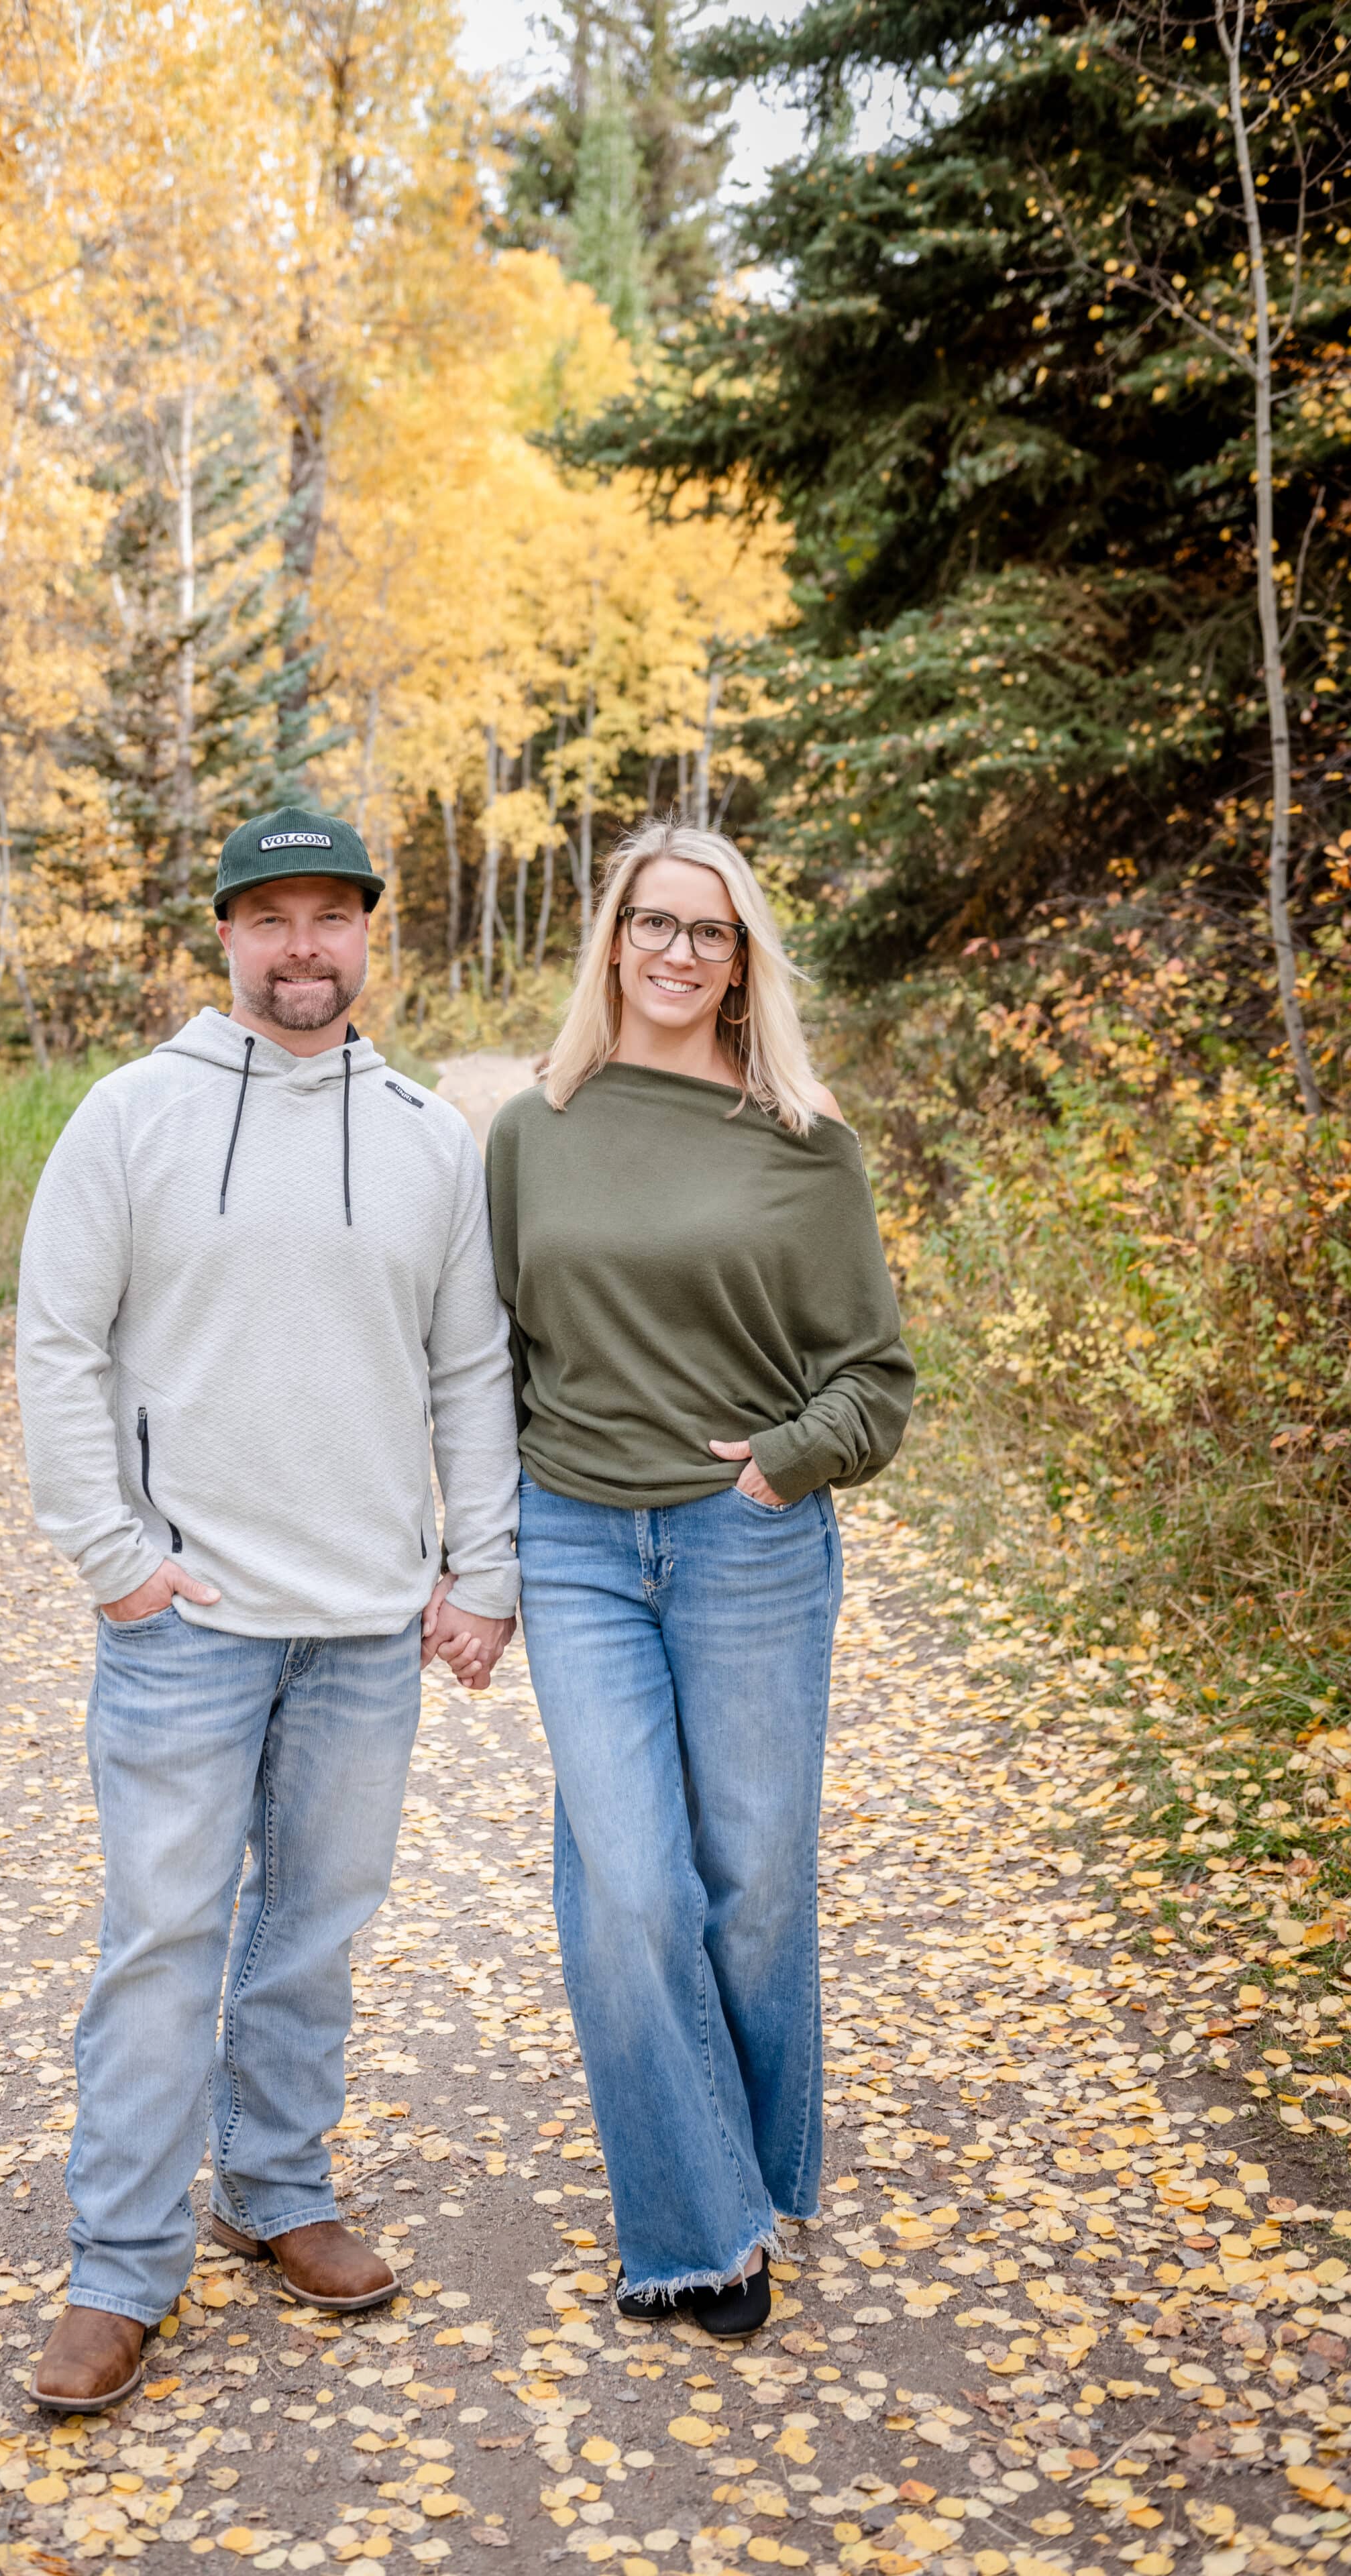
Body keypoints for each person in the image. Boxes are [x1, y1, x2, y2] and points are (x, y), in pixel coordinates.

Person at [16, 806, 518, 2411]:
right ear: (226, 936)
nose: (304, 947)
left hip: (365, 1623)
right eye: (272, 918)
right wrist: (112, 1556)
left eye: (330, 916)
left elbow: (469, 1368)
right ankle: (118, 2270)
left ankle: (277, 2189)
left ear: (368, 933)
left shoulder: (429, 1137)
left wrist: (481, 1569)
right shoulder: (130, 1116)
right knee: (163, 1941)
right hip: (188, 1621)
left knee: (311, 1931)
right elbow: (56, 1342)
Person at [486, 818, 913, 2339]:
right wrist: (479, 1554)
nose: (676, 952)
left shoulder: (800, 1138)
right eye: (652, 923)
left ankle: (753, 2172)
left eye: (708, 931)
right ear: (612, 939)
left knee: (752, 1889)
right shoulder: (534, 1128)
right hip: (578, 1542)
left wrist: (786, 1461)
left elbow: (875, 1377)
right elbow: (491, 1357)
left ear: (741, 964)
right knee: (631, 1890)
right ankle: (695, 2231)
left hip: (747, 1546)